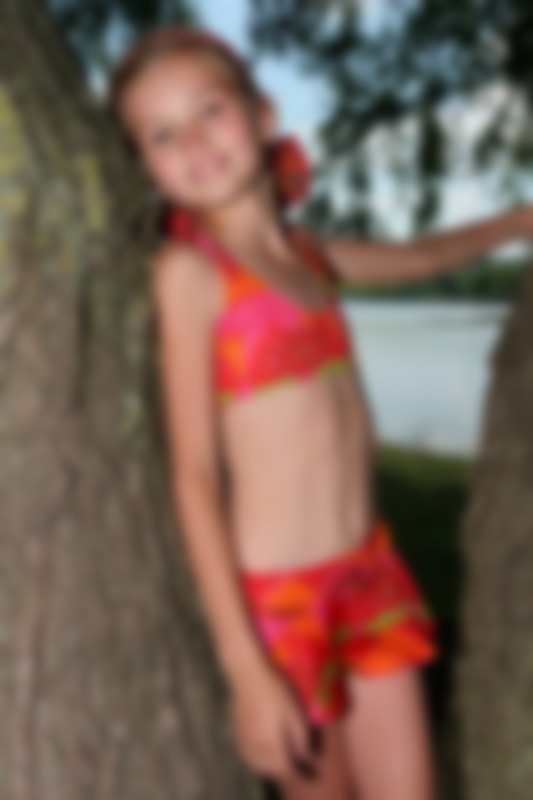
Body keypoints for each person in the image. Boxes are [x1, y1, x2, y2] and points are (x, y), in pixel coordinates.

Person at [108, 25, 533, 800]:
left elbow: (420, 258)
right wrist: (244, 667)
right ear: (147, 167)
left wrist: (516, 222)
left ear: (263, 114)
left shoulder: (309, 255)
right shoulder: (192, 275)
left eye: (209, 110)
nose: (193, 141)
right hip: (281, 604)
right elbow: (193, 475)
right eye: (161, 135)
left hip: (369, 571)